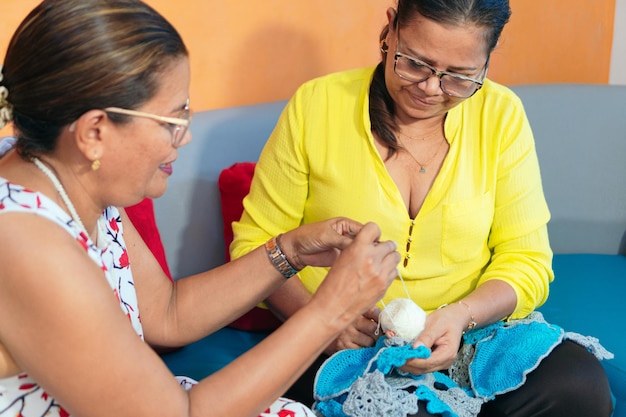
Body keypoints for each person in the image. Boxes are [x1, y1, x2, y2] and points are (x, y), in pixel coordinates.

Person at [0, 1, 402, 417]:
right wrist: (331, 310)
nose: (186, 137)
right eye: (172, 119)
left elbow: (165, 312)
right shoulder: (30, 246)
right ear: (94, 131)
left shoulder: (63, 176)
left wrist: (290, 252)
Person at [229, 0, 614, 415]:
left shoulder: (501, 116)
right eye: (414, 63)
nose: (431, 89)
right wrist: (322, 324)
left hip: (472, 336)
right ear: (390, 30)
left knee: (579, 386)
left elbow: (527, 260)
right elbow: (255, 246)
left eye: (460, 77)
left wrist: (460, 316)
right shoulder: (316, 106)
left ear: (487, 60)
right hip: (345, 344)